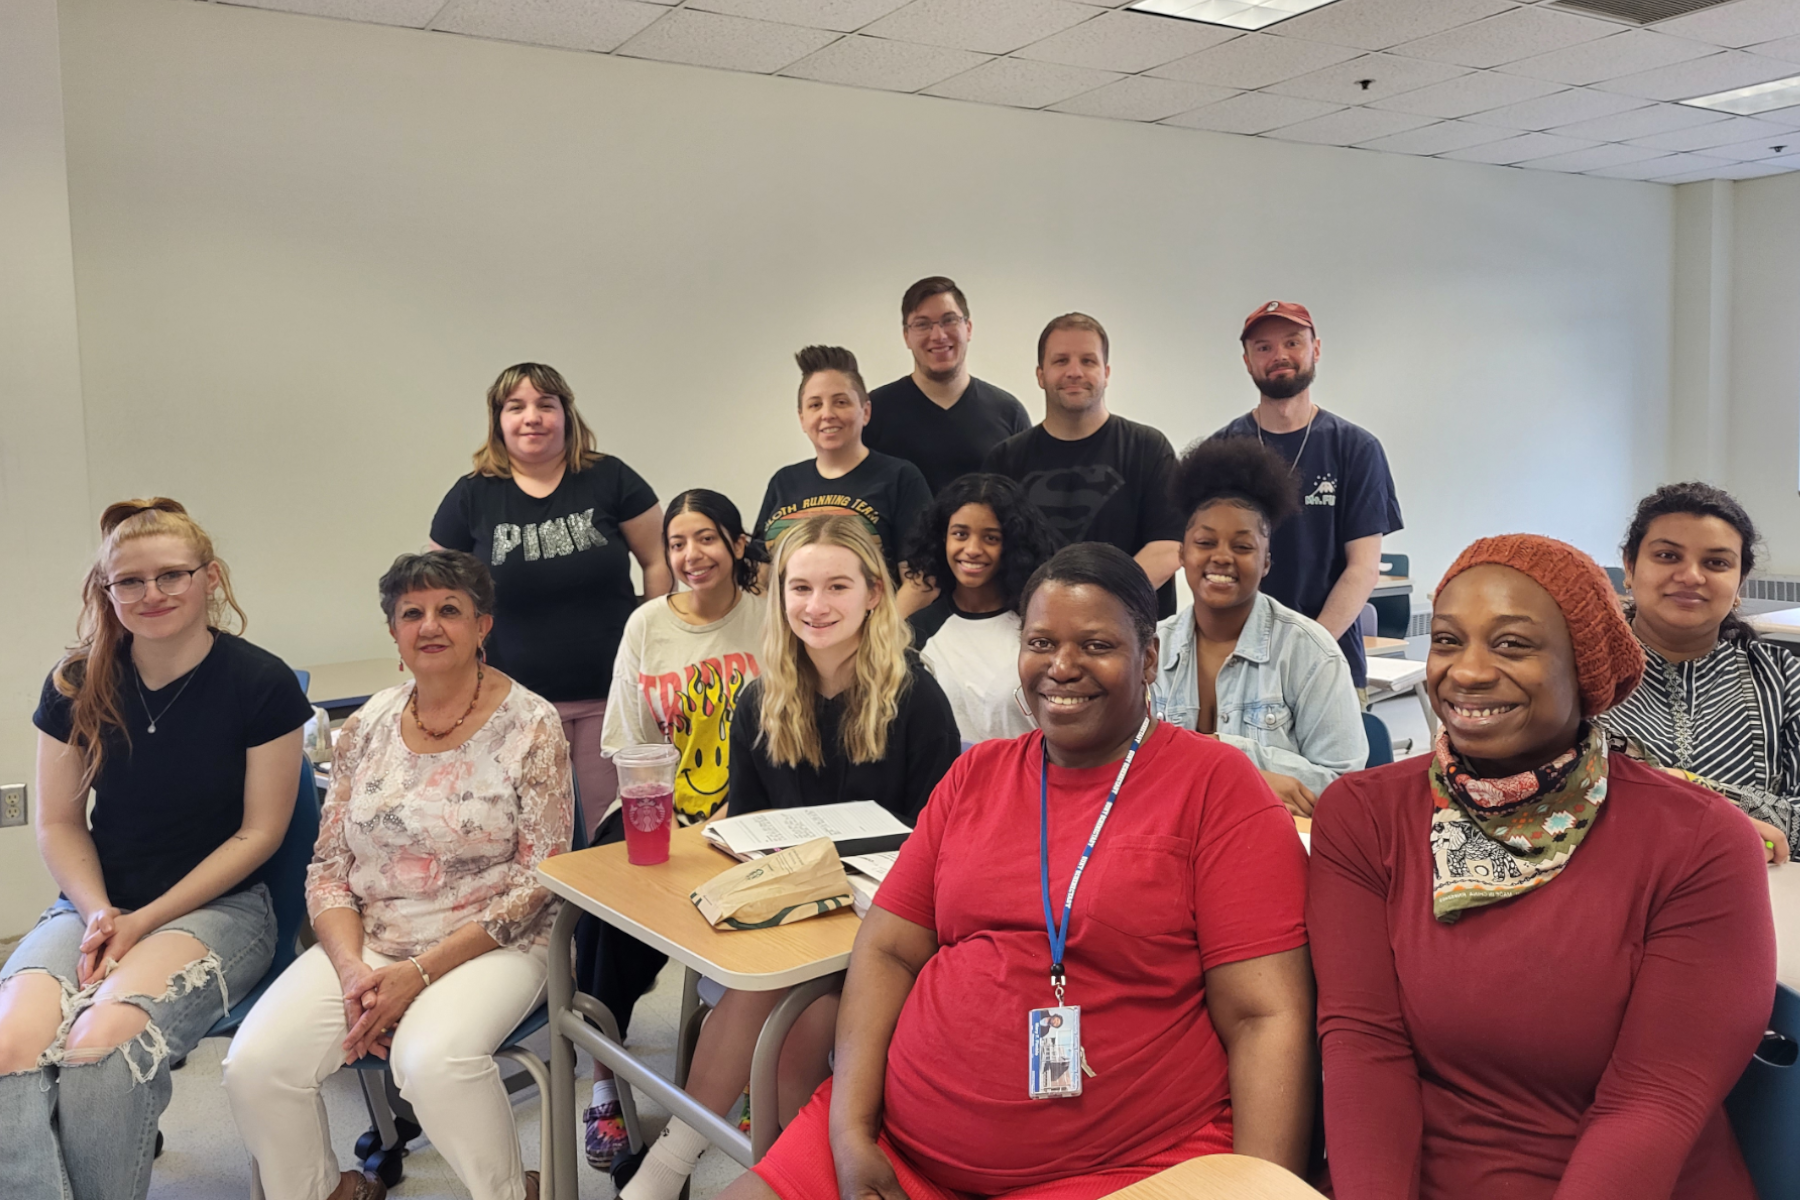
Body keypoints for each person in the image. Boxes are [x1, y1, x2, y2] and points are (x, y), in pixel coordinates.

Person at [714, 542, 1315, 1200]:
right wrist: (851, 1133)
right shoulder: (979, 774)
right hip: (895, 1147)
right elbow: (886, 951)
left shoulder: (1214, 786)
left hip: (1126, 1166)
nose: (1062, 667)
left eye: (1096, 645)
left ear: (1148, 660)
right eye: (1040, 642)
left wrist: (1261, 1187)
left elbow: (1266, 1018)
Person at [1309, 534, 1775, 1200]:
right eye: (1447, 640)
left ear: (1581, 669)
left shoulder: (1698, 841)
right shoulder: (1364, 815)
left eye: (1512, 644)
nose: (1466, 672)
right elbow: (1365, 1050)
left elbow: (1655, 1101)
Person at [618, 515, 960, 1200]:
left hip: (885, 933)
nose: (816, 605)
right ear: (779, 598)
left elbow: (942, 842)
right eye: (800, 587)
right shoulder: (761, 697)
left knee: (786, 1017)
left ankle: (686, 1170)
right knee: (770, 998)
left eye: (837, 585)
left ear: (873, 593)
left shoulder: (916, 695)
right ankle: (756, 1173)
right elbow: (744, 826)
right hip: (792, 921)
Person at [224, 551, 573, 1200]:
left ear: (482, 626)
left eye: (450, 610)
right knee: (255, 1067)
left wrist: (418, 974)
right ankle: (330, 1192)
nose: (430, 625)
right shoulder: (366, 726)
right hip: (375, 938)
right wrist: (356, 969)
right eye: (412, 613)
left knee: (431, 1064)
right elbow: (329, 865)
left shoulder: (532, 724)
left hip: (494, 941)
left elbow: (542, 878)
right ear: (394, 632)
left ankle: (510, 1192)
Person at [0, 499, 311, 1200]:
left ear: (210, 578)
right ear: (106, 595)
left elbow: (258, 835)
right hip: (96, 903)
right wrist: (103, 911)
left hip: (220, 908)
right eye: (130, 582)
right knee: (8, 1047)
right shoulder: (77, 683)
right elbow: (58, 823)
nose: (152, 595)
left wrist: (144, 922)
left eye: (172, 575)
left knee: (100, 1051)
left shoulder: (260, 683)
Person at [575, 489, 769, 1170]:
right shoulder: (647, 624)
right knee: (602, 905)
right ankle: (605, 1077)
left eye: (707, 539)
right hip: (656, 806)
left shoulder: (771, 619)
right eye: (678, 543)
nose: (692, 555)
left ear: (738, 545)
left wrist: (732, 811)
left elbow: (786, 737)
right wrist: (668, 814)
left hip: (749, 813)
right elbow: (628, 743)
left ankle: (744, 1068)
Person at [430, 362, 668, 828]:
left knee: (611, 829)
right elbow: (437, 589)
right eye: (516, 407)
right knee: (531, 830)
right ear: (499, 421)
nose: (532, 417)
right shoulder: (473, 496)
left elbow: (658, 559)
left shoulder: (610, 477)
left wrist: (652, 640)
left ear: (567, 414)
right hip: (513, 702)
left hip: (611, 696)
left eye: (545, 405)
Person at [1155, 438, 1365, 816]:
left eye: (1242, 547)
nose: (1221, 557)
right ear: (1182, 555)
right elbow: (1123, 766)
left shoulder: (1310, 652)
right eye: (1205, 542)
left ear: (1267, 561)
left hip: (1275, 846)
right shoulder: (1149, 648)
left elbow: (1346, 787)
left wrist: (1224, 761)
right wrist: (1237, 771)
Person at [1600, 481, 1800, 863]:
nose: (1691, 576)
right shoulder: (1573, 671)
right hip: (1604, 890)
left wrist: (1679, 791)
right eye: (1667, 556)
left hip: (1754, 899)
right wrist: (1718, 818)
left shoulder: (1783, 678)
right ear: (1629, 565)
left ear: (1740, 581)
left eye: (1716, 563)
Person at [1211, 302, 1402, 690]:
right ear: (1247, 362)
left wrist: (1307, 650)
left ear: (1316, 349)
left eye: (1293, 342)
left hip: (1330, 662)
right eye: (1263, 347)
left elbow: (1362, 568)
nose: (1279, 355)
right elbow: (1213, 567)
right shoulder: (1221, 452)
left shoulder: (1356, 449)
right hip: (1240, 665)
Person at [983, 313, 1184, 617]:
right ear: (1040, 374)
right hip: (1033, 636)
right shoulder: (1004, 460)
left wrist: (1094, 609)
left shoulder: (1148, 449)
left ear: (1106, 372)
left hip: (1130, 639)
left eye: (1088, 361)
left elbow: (1168, 547)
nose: (1074, 372)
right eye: (1061, 361)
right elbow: (991, 552)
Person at [902, 473, 1062, 746]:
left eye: (990, 538)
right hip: (947, 784)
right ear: (942, 539)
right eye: (960, 534)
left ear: (1012, 545)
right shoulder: (916, 633)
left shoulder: (1041, 625)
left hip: (1036, 780)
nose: (972, 549)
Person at [756, 346, 931, 589]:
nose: (827, 414)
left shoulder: (900, 478)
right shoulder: (783, 481)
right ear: (802, 419)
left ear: (866, 411)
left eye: (840, 402)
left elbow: (920, 584)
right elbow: (760, 575)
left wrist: (882, 628)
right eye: (815, 405)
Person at [863, 276, 1030, 495]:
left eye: (949, 320)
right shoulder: (873, 412)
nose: (938, 335)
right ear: (906, 336)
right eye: (922, 324)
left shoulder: (1009, 412)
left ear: (968, 328)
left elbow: (1027, 506)